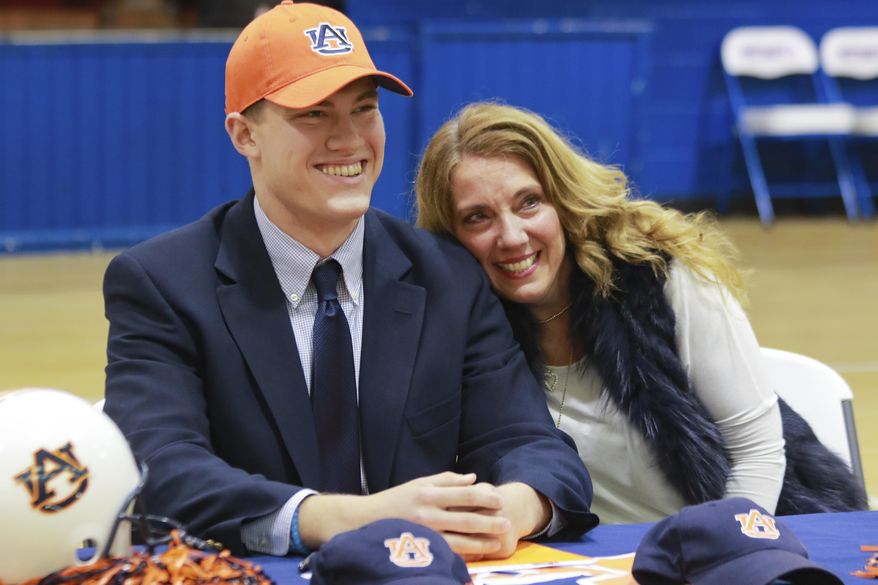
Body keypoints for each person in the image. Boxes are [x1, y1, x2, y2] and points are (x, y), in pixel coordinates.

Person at [102, 2, 597, 562]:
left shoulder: (448, 277)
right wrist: (351, 518)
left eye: (365, 109)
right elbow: (160, 471)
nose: (350, 139)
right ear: (244, 135)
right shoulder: (162, 285)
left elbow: (533, 446)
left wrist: (508, 511)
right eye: (314, 114)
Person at [415, 101, 867, 523]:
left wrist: (723, 556)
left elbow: (758, 452)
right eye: (478, 217)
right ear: (450, 236)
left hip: (752, 535)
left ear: (562, 199)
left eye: (529, 202)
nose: (511, 236)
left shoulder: (658, 275)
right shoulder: (464, 328)